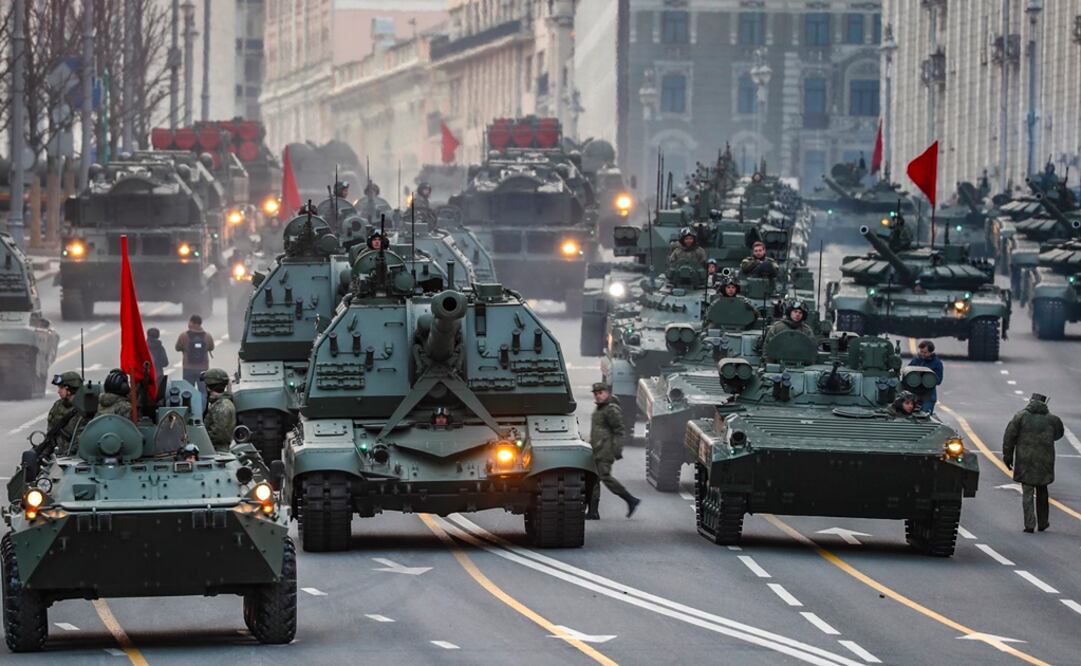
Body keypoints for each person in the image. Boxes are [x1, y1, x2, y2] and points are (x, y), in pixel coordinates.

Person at [1002, 393, 1064, 533]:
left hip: (1025, 461)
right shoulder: (1052, 419)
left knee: (1027, 492)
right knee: (1042, 490)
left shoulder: (1020, 417)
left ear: (1031, 402)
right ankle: (1043, 522)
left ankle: (1029, 524)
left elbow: (1009, 437)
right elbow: (1059, 434)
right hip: (1045, 461)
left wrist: (1008, 456)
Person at [587, 382, 641, 520]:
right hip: (597, 449)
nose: (598, 396)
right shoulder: (600, 409)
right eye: (596, 394)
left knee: (605, 477)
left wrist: (617, 450)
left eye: (600, 393)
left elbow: (619, 430)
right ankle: (593, 511)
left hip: (605, 450)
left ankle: (630, 500)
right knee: (594, 479)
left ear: (607, 393)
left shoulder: (611, 409)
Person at [175, 315, 215, 407]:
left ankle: (190, 411)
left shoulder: (183, 335)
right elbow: (211, 347)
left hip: (188, 368)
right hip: (203, 368)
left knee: (187, 391)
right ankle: (202, 412)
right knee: (203, 392)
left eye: (189, 322)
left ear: (193, 323)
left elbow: (177, 348)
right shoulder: (207, 336)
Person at [47, 371, 83, 453]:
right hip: (60, 454)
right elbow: (50, 431)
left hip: (79, 455)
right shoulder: (58, 406)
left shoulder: (86, 407)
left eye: (61, 388)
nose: (58, 391)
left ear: (69, 389)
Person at [201, 368, 236, 451]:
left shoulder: (222, 407)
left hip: (217, 451)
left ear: (208, 387)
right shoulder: (219, 403)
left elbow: (220, 435)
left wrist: (200, 438)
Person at [907, 340, 943, 414]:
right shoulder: (916, 360)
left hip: (928, 395)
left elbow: (938, 380)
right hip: (914, 394)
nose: (922, 354)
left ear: (930, 352)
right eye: (921, 352)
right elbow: (907, 372)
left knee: (925, 416)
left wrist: (928, 377)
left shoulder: (937, 363)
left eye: (925, 352)